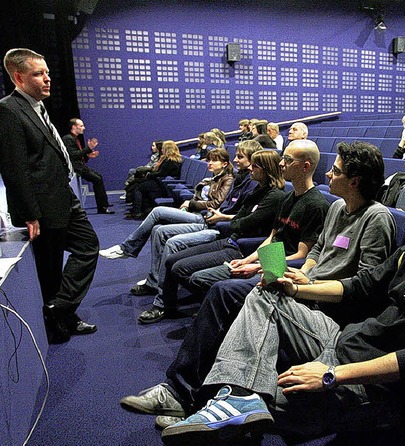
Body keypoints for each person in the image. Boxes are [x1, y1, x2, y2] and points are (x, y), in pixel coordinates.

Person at [159, 169, 405, 445]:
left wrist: (330, 375)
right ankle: (236, 397)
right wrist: (298, 287)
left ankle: (231, 401)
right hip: (342, 338)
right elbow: (360, 287)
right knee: (267, 293)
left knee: (255, 399)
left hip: (375, 385)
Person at [118, 141, 396, 427]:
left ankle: (194, 396)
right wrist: (286, 269)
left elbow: (364, 288)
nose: (329, 175)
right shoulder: (336, 207)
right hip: (298, 281)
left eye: (335, 171)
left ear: (354, 181)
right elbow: (312, 252)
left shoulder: (374, 218)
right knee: (221, 291)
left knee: (227, 292)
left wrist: (301, 281)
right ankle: (184, 392)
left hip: (324, 306)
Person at [0, 48, 99, 343]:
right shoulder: (8, 109)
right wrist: (29, 212)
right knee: (51, 268)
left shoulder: (38, 107)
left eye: (47, 73)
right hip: (42, 206)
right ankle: (59, 322)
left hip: (63, 197)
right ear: (18, 77)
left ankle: (59, 309)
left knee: (88, 246)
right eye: (38, 74)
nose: (47, 79)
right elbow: (14, 166)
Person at [135, 149, 287, 323]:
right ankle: (168, 306)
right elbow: (240, 219)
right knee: (171, 261)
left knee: (182, 269)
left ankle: (202, 306)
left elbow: (244, 223)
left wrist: (235, 222)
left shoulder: (275, 196)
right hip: (230, 238)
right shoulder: (258, 190)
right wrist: (236, 221)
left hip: (242, 247)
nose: (250, 169)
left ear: (267, 169)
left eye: (255, 166)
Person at [98, 140, 261, 296]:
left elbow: (271, 236)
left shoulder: (252, 186)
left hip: (217, 227)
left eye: (239, 156)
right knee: (157, 229)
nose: (235, 159)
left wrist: (198, 206)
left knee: (161, 218)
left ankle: (136, 259)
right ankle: (154, 283)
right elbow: (243, 216)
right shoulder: (240, 181)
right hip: (216, 224)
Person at [171, 139, 330, 298]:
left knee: (219, 289)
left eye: (287, 160)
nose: (281, 163)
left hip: (283, 270)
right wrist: (248, 260)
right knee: (198, 278)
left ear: (306, 166)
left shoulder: (316, 205)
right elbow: (272, 238)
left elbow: (301, 255)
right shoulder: (287, 198)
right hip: (268, 261)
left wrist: (258, 266)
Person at [62, 118, 113, 214]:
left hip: (80, 166)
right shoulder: (68, 139)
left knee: (99, 177)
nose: (84, 128)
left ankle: (104, 203)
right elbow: (73, 155)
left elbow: (79, 155)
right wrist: (88, 149)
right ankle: (102, 207)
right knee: (97, 179)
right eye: (81, 126)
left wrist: (88, 154)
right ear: (74, 127)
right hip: (77, 168)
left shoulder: (74, 138)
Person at [126, 140, 183, 219]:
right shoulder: (170, 159)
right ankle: (142, 210)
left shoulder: (170, 161)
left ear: (167, 150)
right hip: (161, 182)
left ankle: (137, 212)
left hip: (163, 184)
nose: (161, 150)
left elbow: (160, 174)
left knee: (137, 188)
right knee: (138, 184)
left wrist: (149, 175)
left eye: (163, 149)